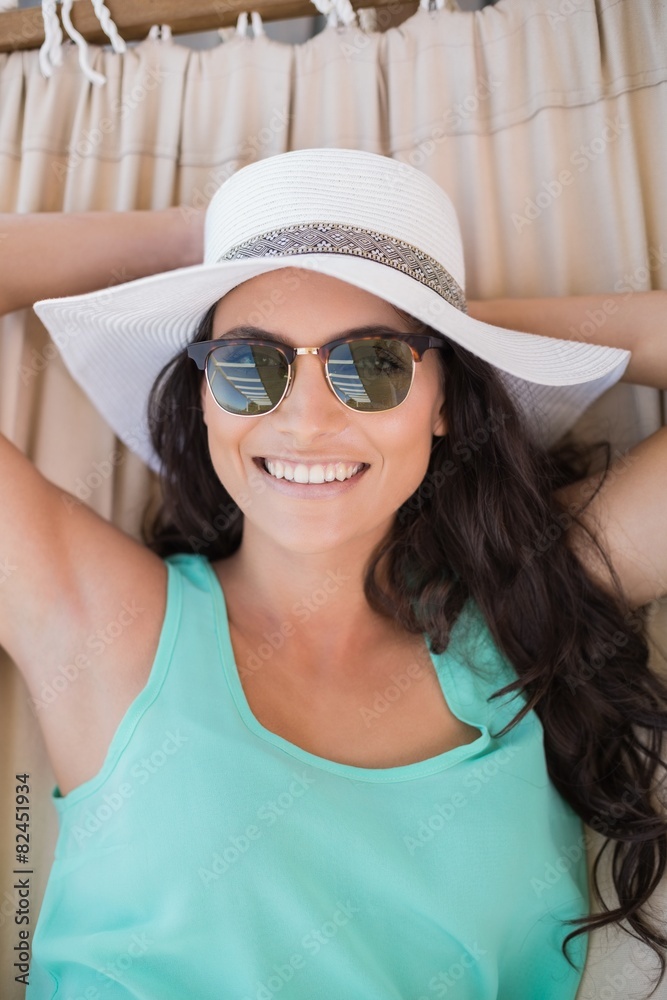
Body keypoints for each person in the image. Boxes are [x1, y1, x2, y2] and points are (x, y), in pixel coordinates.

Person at [1, 147, 666, 999]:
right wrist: (204, 242)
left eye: (375, 365)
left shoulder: (522, 612)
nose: (307, 419)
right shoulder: (103, 627)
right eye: (250, 364)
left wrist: (457, 322)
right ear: (203, 397)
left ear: (445, 401)